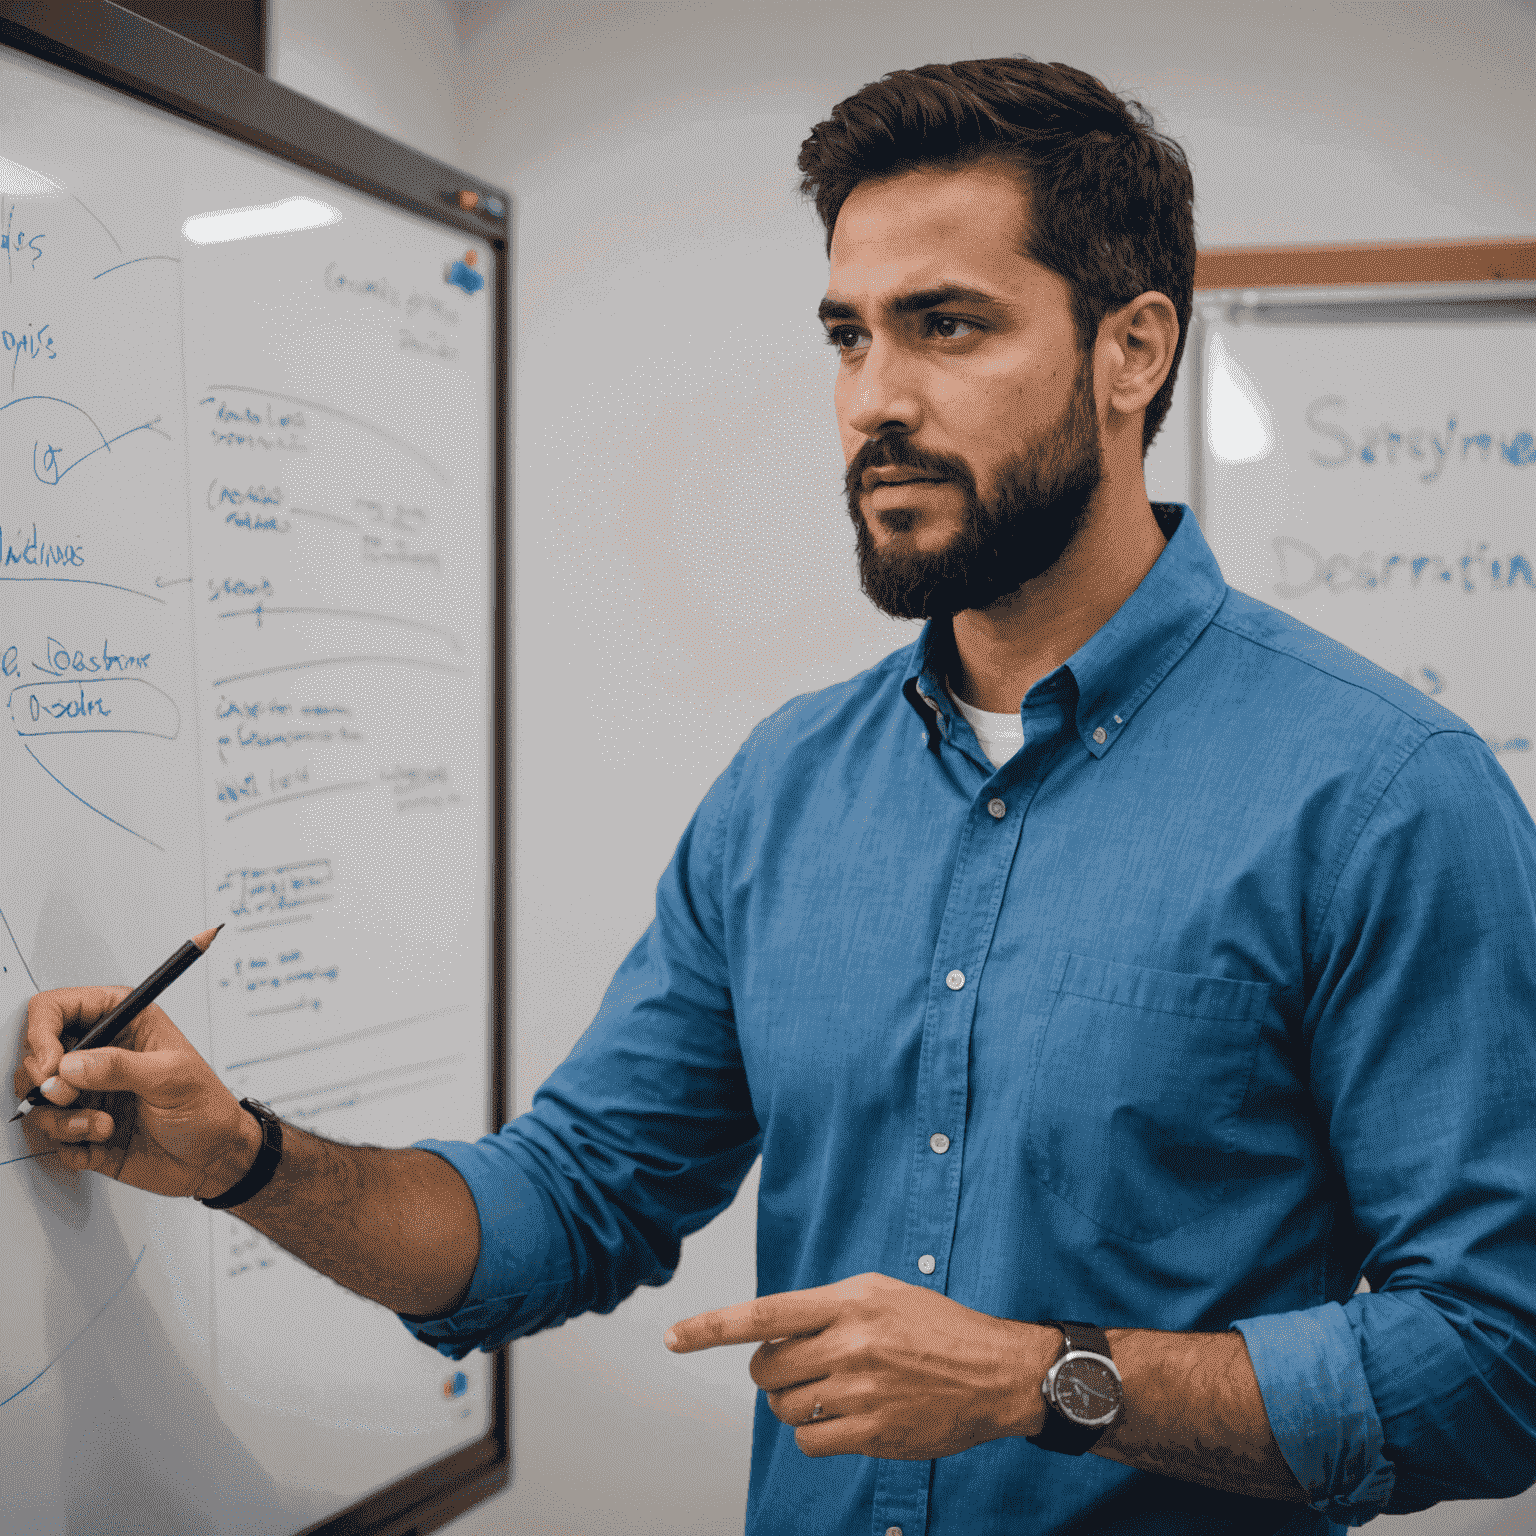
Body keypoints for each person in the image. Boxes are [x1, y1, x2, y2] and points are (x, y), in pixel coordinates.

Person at [16, 56, 1536, 1536]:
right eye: (847, 336)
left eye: (945, 327)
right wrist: (237, 1156)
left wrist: (1041, 1380)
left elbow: (1499, 1360)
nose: (875, 399)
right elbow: (570, 1202)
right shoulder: (788, 789)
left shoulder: (1385, 797)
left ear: (1131, 351)